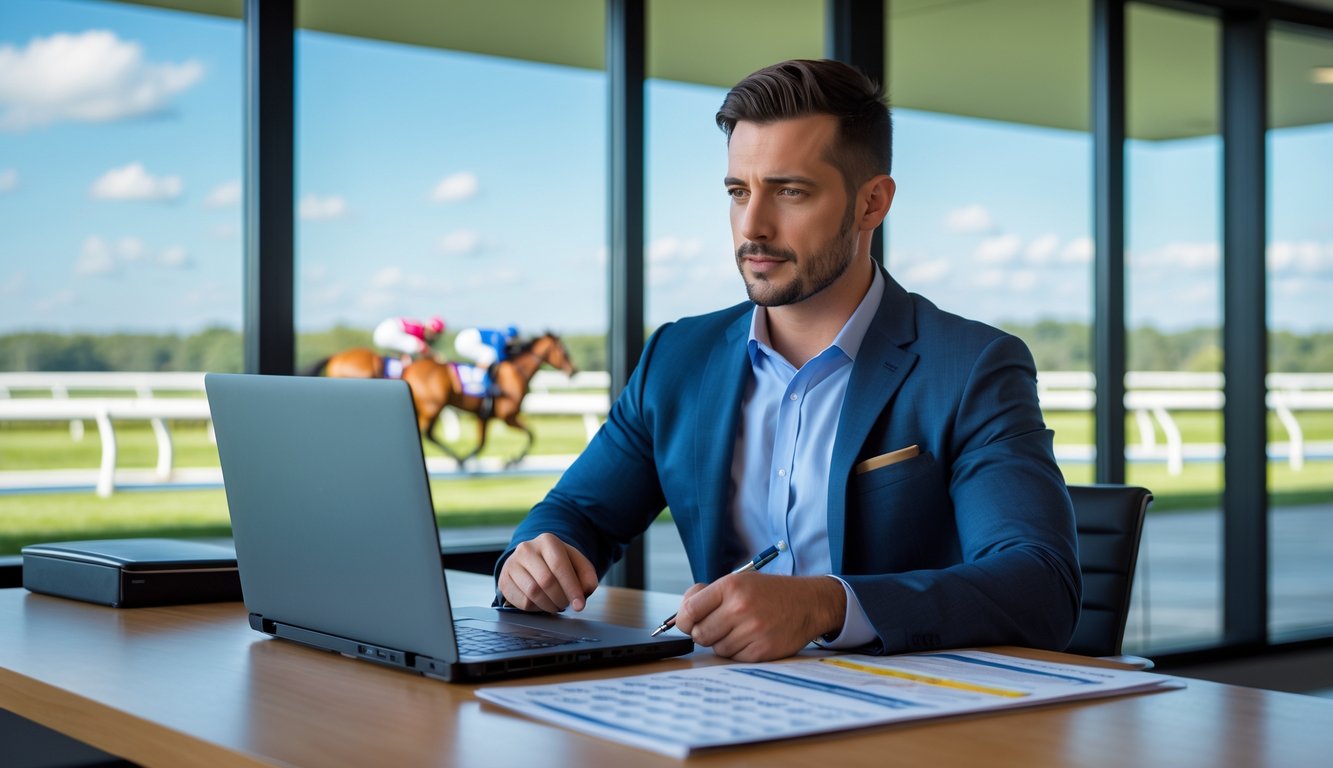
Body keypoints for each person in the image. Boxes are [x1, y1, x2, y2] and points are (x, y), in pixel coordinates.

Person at [496, 59, 1080, 662]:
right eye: (738, 192)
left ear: (872, 203)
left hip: (906, 715)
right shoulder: (678, 357)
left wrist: (825, 605)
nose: (753, 227)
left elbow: (1040, 585)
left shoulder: (971, 367)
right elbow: (573, 513)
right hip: (719, 706)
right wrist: (536, 556)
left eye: (790, 191)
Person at [453, 325, 520, 393]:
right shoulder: (501, 337)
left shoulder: (500, 335)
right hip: (466, 340)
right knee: (491, 355)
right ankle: (482, 384)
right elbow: (499, 357)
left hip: (465, 338)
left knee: (487, 356)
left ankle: (479, 381)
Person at [372, 315, 445, 365]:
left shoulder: (419, 327)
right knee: (415, 347)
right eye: (433, 333)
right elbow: (422, 348)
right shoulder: (418, 328)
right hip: (387, 331)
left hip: (383, 331)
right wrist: (437, 356)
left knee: (408, 353)